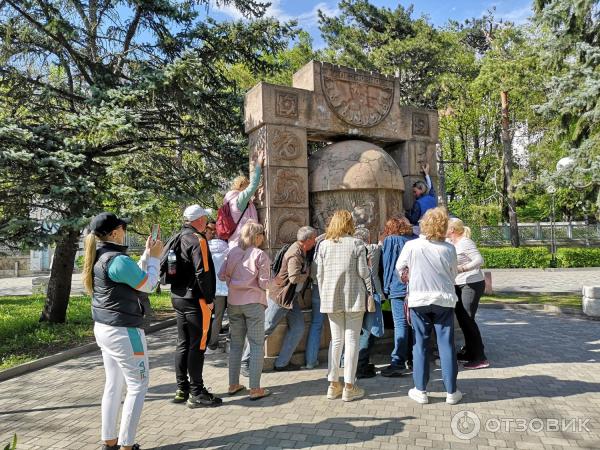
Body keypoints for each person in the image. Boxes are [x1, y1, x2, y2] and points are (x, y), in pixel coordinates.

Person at [82, 212, 163, 450]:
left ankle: (109, 440)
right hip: (125, 332)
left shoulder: (100, 256)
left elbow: (132, 278)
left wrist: (148, 254)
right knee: (138, 385)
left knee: (113, 384)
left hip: (105, 328)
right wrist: (156, 259)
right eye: (123, 229)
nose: (125, 232)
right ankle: (127, 445)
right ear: (115, 232)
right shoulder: (117, 260)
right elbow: (148, 284)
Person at [396, 207, 463, 405]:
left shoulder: (412, 246)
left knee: (420, 345)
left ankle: (420, 389)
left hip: (419, 300)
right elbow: (453, 275)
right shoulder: (449, 248)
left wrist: (409, 276)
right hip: (443, 299)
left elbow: (400, 270)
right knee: (446, 345)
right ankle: (451, 391)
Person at [240, 226, 317, 373]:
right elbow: (294, 278)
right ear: (307, 240)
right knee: (265, 329)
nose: (315, 242)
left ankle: (282, 363)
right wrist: (307, 274)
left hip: (290, 298)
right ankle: (245, 363)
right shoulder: (295, 254)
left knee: (298, 328)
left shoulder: (300, 247)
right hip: (281, 297)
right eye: (314, 239)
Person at [170, 205, 222, 408]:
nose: (207, 221)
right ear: (199, 220)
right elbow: (203, 272)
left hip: (178, 296)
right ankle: (197, 392)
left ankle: (182, 388)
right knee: (197, 345)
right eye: (205, 218)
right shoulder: (198, 240)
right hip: (195, 300)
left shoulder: (177, 237)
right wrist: (209, 299)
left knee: (183, 343)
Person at [317, 210, 370, 402]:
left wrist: (324, 294)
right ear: (349, 224)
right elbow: (363, 272)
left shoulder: (323, 245)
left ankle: (333, 384)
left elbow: (319, 275)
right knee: (352, 341)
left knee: (336, 340)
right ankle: (349, 386)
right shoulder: (357, 243)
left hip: (331, 297)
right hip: (354, 296)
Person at [218, 221, 272, 400]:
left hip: (234, 303)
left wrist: (234, 283)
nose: (263, 238)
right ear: (256, 236)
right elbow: (264, 283)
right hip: (254, 304)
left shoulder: (232, 252)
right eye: (261, 235)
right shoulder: (260, 254)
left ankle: (233, 384)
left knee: (236, 345)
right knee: (256, 345)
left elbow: (221, 274)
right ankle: (255, 389)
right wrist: (276, 280)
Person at [447, 218, 490, 369]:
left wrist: (463, 268)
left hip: (470, 284)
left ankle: (480, 357)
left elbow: (479, 260)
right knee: (463, 318)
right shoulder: (452, 243)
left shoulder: (465, 242)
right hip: (459, 283)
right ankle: (469, 352)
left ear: (452, 229)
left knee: (467, 319)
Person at [380, 217, 415, 377]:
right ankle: (414, 359)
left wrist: (386, 288)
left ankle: (398, 361)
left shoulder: (391, 240)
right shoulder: (414, 240)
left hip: (398, 286)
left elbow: (388, 265)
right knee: (413, 324)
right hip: (415, 288)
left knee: (400, 324)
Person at [353, 227, 385, 379]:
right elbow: (381, 245)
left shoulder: (350, 251)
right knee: (368, 331)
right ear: (368, 238)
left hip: (354, 296)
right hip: (371, 295)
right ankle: (362, 366)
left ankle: (348, 362)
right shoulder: (372, 249)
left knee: (353, 331)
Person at [223, 151, 264, 248]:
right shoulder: (239, 199)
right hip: (243, 244)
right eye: (247, 185)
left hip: (233, 243)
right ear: (241, 186)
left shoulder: (229, 200)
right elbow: (253, 185)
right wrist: (259, 164)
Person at [205, 220, 229, 354]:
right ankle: (217, 344)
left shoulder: (205, 248)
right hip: (225, 288)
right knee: (225, 317)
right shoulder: (227, 248)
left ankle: (207, 344)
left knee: (211, 317)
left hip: (210, 288)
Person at [304, 233, 326, 369]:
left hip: (317, 285)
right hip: (332, 286)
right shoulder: (339, 241)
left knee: (316, 324)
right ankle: (342, 359)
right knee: (341, 326)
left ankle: (310, 361)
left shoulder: (319, 240)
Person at [407, 163, 437, 233]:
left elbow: (413, 220)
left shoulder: (418, 203)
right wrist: (426, 174)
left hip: (421, 231)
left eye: (415, 191)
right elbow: (430, 186)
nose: (414, 194)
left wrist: (405, 213)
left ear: (420, 189)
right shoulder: (432, 197)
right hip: (433, 230)